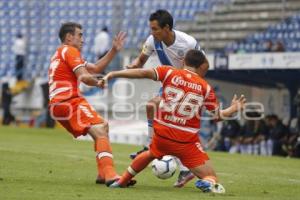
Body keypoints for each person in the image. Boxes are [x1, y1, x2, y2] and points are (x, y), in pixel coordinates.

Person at [99, 49, 246, 193]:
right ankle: (207, 182)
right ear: (202, 66)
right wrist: (234, 108)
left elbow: (142, 72)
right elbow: (217, 116)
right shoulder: (205, 88)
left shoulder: (169, 72)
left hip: (162, 135)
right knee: (211, 175)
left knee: (151, 153)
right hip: (186, 142)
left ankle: (122, 181)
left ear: (183, 61)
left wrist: (113, 74)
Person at [126, 9, 209, 187]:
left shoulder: (187, 42)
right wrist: (132, 66)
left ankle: (189, 169)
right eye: (151, 28)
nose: (152, 32)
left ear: (167, 28)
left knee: (176, 127)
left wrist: (195, 85)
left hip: (187, 86)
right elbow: (140, 61)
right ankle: (152, 147)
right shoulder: (152, 41)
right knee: (151, 107)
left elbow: (204, 64)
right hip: (172, 84)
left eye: (155, 29)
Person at [48, 22, 134, 186]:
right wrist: (98, 83)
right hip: (68, 101)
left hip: (58, 104)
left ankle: (103, 174)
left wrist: (114, 50)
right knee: (100, 130)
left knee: (103, 125)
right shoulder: (70, 50)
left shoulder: (62, 53)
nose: (83, 39)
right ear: (69, 37)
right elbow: (84, 76)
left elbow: (94, 68)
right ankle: (111, 175)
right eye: (80, 35)